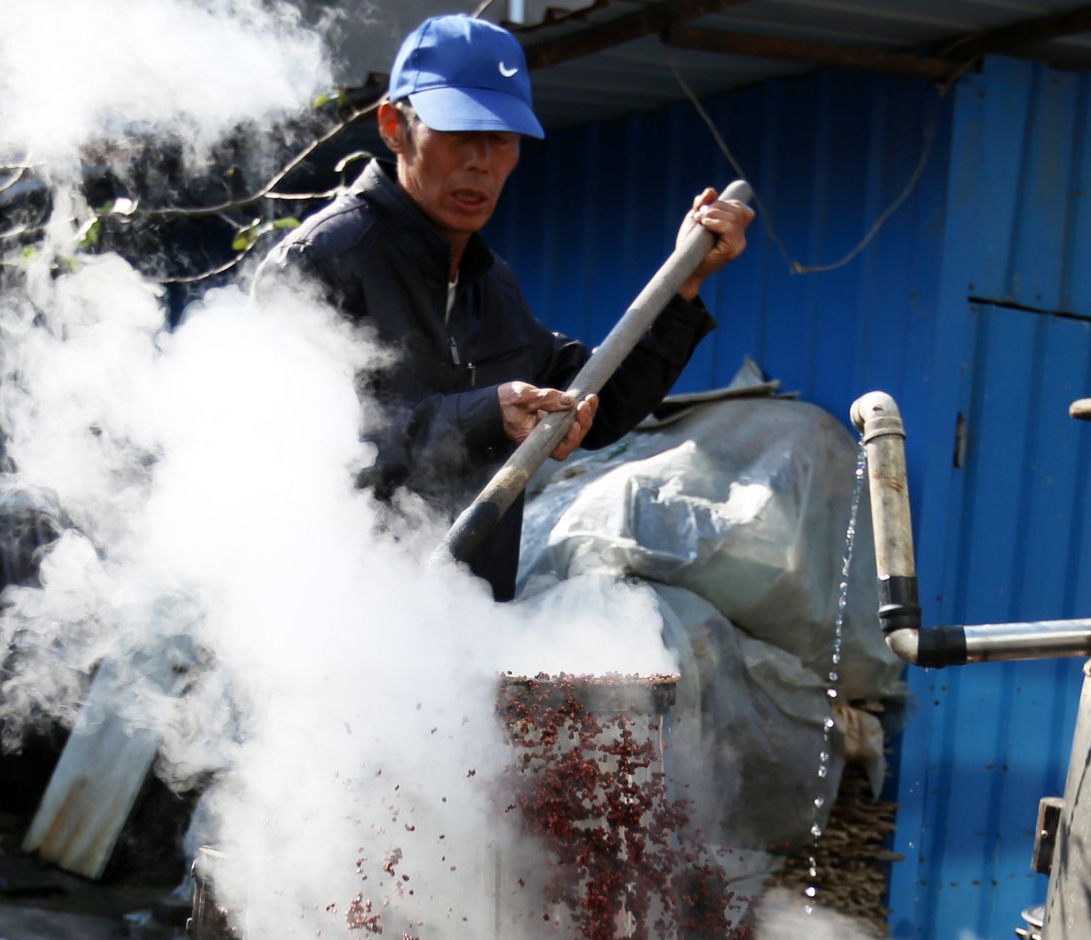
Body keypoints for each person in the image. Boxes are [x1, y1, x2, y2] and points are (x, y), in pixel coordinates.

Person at [262, 13, 751, 601]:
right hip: (333, 633)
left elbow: (596, 405)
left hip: (467, 635)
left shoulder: (490, 285)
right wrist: (483, 416)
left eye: (501, 137)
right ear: (394, 126)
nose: (482, 161)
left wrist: (684, 286)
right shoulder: (321, 262)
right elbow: (296, 460)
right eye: (459, 132)